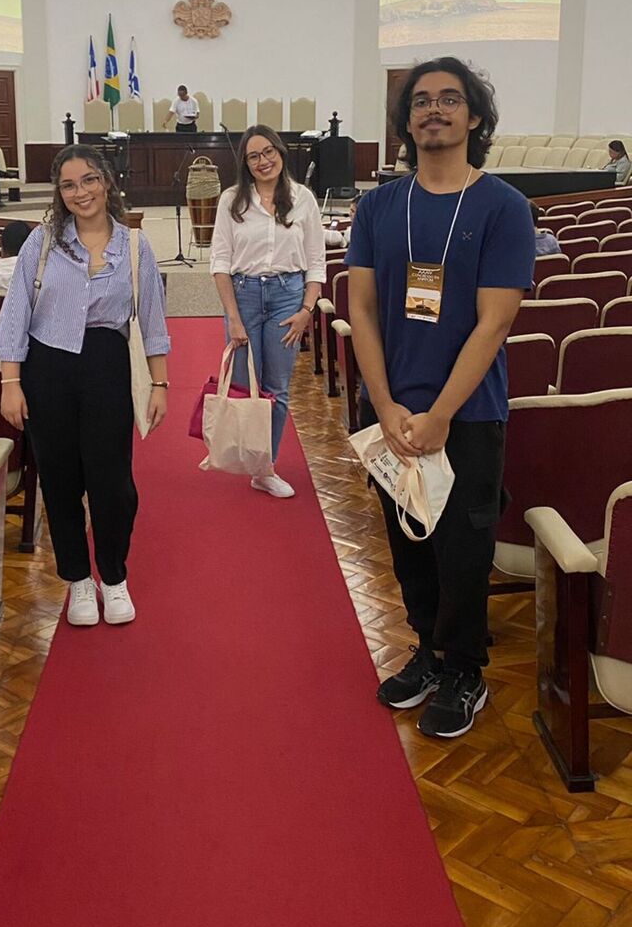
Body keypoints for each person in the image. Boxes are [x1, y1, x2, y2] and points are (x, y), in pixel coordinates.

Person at [347, 56, 534, 739]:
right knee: (408, 547)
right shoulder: (378, 206)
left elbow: (496, 320)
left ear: (473, 116)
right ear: (405, 122)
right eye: (420, 101)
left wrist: (439, 416)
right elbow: (361, 310)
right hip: (393, 417)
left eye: (449, 100)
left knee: (462, 550)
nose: (433, 110)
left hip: (468, 416)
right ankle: (426, 651)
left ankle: (464, 670)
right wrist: (387, 405)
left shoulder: (504, 208)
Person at [0, 147, 170, 627]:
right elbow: (15, 315)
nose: (80, 193)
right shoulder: (42, 243)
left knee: (113, 484)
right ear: (59, 192)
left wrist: (160, 383)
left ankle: (113, 576)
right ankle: (78, 580)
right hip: (46, 366)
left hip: (106, 364)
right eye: (69, 185)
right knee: (61, 480)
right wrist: (12, 382)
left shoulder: (134, 246)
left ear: (106, 182)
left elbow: (152, 318)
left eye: (89, 180)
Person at [210, 125, 325, 498]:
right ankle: (241, 455)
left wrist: (308, 308)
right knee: (246, 386)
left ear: (281, 152)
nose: (264, 161)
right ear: (245, 162)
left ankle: (265, 467)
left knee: (276, 387)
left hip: (287, 296)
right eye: (254, 155)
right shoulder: (232, 200)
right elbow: (220, 262)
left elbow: (316, 262)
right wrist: (233, 317)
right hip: (243, 295)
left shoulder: (303, 198)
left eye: (269, 151)